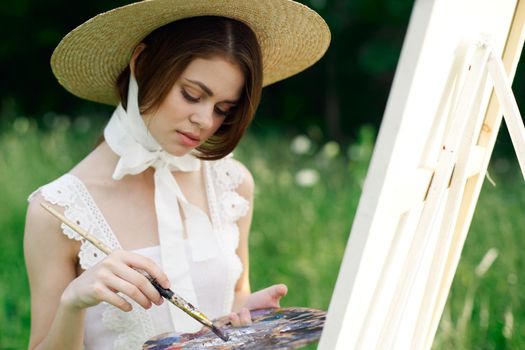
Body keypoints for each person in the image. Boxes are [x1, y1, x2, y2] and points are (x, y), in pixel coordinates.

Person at [24, 1, 330, 349]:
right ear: (142, 63)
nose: (205, 121)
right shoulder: (58, 209)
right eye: (192, 95)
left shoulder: (232, 184)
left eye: (222, 109)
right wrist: (73, 302)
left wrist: (246, 320)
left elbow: (232, 299)